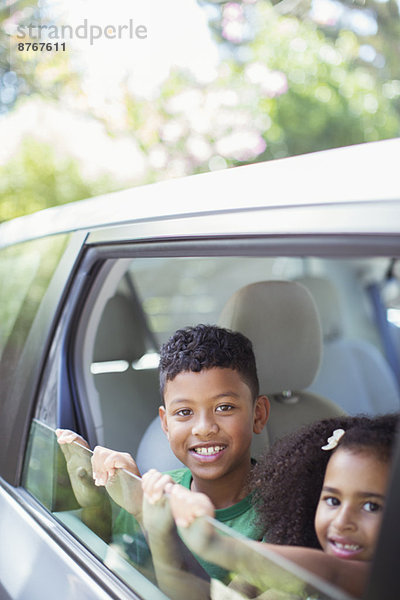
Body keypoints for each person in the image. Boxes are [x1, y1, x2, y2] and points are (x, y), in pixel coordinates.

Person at [57, 324, 270, 579]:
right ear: (166, 424)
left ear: (258, 415)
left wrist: (147, 517)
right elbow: (121, 572)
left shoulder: (281, 510)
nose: (204, 428)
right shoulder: (149, 495)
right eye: (184, 412)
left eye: (224, 407)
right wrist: (95, 505)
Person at [147, 413, 398, 598]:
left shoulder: (384, 580)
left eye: (371, 507)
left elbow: (332, 573)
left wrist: (212, 541)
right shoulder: (286, 588)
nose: (342, 522)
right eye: (332, 501)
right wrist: (155, 526)